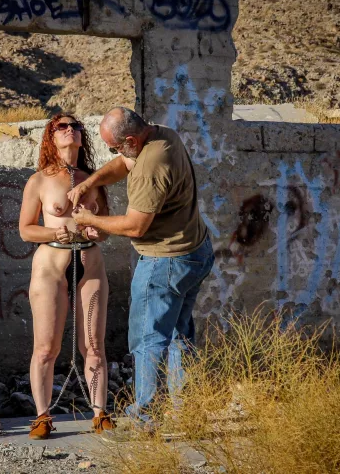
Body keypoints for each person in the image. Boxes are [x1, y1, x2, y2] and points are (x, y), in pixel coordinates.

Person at [69, 106, 215, 426]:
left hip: (166, 262)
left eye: (115, 146)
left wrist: (88, 219)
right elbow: (124, 162)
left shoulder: (151, 165)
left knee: (148, 341)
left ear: (132, 139)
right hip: (195, 252)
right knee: (178, 334)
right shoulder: (162, 135)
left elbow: (136, 227)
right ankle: (184, 410)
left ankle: (146, 415)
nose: (115, 152)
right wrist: (90, 182)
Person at [18, 113, 116, 440]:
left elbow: (105, 230)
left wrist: (96, 229)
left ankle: (100, 413)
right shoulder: (39, 181)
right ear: (51, 135)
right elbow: (25, 230)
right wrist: (53, 231)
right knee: (47, 347)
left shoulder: (93, 180)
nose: (70, 130)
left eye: (75, 126)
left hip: (90, 266)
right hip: (51, 268)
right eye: (62, 126)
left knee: (94, 345)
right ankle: (42, 416)